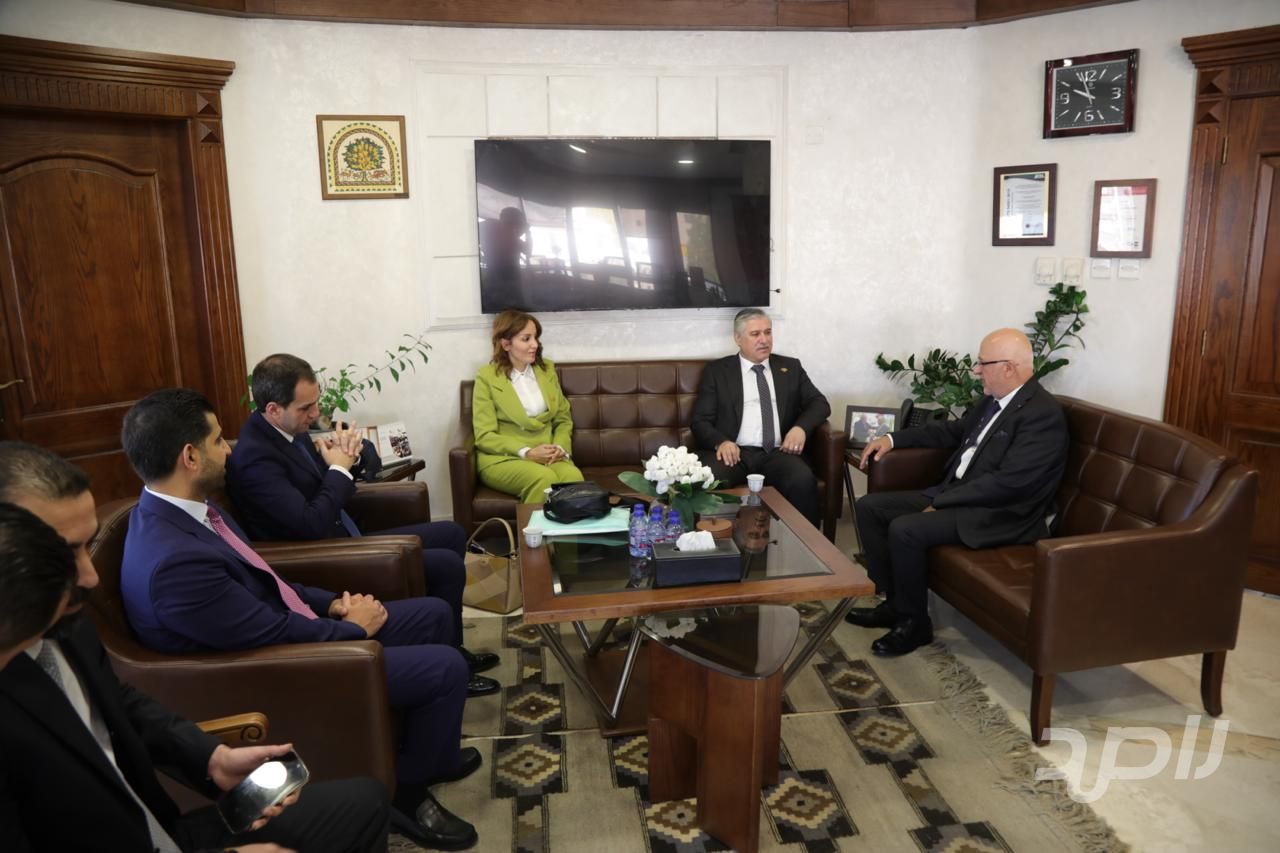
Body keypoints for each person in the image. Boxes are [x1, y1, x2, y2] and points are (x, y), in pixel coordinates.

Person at [116, 392, 482, 850]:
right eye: (217, 440)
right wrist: (352, 630)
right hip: (279, 671)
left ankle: (432, 752)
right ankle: (406, 792)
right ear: (189, 456)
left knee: (432, 615)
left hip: (294, 633)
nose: (228, 450)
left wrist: (333, 605)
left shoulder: (191, 513)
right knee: (445, 668)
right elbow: (269, 635)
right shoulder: (174, 563)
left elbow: (267, 578)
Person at [0, 442, 391, 853]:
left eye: (87, 546)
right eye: (65, 554)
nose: (90, 577)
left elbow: (118, 703)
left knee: (366, 803)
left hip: (157, 828)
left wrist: (210, 759)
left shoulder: (64, 621)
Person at [225, 353, 499, 688]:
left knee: (452, 533)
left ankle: (452, 647)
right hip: (326, 554)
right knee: (446, 565)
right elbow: (309, 523)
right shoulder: (255, 458)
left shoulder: (287, 429)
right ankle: (451, 663)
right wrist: (338, 469)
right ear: (273, 409)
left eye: (316, 403)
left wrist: (348, 458)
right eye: (306, 407)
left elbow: (330, 477)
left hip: (345, 531)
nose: (315, 414)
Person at [845, 328, 1068, 656]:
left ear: (1009, 368)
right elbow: (951, 431)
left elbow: (1009, 483)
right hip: (958, 495)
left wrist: (942, 502)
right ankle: (895, 604)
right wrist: (892, 439)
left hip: (998, 513)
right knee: (869, 508)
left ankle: (915, 624)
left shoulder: (1041, 415)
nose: (976, 371)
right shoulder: (993, 401)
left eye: (983, 363)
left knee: (906, 529)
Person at [690, 308, 831, 526]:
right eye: (755, 334)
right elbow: (700, 420)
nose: (764, 340)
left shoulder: (790, 367)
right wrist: (721, 442)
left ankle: (807, 544)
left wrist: (800, 428)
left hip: (777, 452)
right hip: (733, 454)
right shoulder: (717, 371)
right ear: (738, 338)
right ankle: (710, 542)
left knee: (802, 479)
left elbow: (819, 403)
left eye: (768, 332)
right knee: (707, 480)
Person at [473, 310, 583, 503]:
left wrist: (559, 447)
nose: (535, 344)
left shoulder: (547, 370)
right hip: (504, 458)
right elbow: (485, 436)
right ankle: (533, 525)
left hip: (548, 455)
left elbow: (563, 419)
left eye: (535, 337)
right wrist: (527, 452)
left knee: (573, 477)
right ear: (506, 344)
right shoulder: (486, 377)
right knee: (543, 478)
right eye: (526, 339)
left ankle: (571, 526)